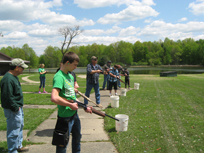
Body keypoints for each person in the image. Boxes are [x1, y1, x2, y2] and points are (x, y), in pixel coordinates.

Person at [51, 52, 92, 153]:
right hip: (64, 117)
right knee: (62, 143)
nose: (76, 67)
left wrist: (84, 106)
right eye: (75, 65)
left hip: (74, 115)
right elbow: (54, 97)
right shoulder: (59, 77)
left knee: (77, 138)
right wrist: (69, 105)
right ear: (68, 63)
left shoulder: (70, 76)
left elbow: (73, 98)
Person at [0, 58, 29, 153]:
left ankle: (18, 146)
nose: (23, 69)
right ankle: (12, 150)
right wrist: (16, 107)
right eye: (22, 67)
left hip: (17, 108)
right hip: (13, 109)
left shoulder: (14, 77)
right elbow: (7, 96)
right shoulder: (8, 79)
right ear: (17, 67)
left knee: (19, 127)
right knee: (13, 130)